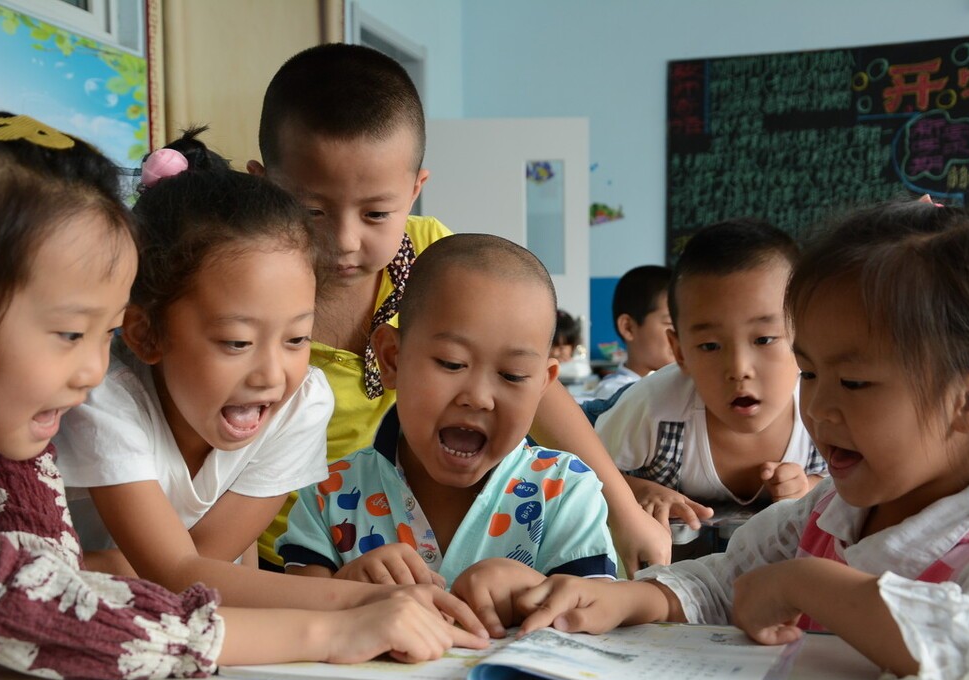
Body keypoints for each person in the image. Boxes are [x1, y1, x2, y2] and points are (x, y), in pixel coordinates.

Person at [0, 111, 485, 680]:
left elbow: (45, 580)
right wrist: (330, 632)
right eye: (69, 334)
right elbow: (49, 604)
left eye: (103, 335)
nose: (93, 373)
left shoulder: (0, 421)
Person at [517, 199, 969, 680]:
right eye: (810, 373)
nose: (818, 408)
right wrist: (624, 600)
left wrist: (806, 583)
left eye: (854, 381)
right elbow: (728, 582)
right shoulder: (825, 514)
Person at [248, 43, 670, 575]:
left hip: (437, 542)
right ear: (262, 187)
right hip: (293, 554)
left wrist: (622, 507)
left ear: (414, 190)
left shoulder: (432, 255)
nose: (346, 241)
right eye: (312, 210)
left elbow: (530, 383)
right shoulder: (246, 285)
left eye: (376, 214)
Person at [53, 128, 488, 620]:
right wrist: (365, 600)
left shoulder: (300, 404)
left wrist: (108, 567)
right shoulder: (106, 401)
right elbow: (179, 574)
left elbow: (205, 566)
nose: (271, 375)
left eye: (297, 339)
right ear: (146, 334)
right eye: (237, 343)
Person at [277, 235, 617, 636]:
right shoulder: (329, 495)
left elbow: (593, 623)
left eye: (512, 375)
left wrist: (534, 590)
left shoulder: (565, 491)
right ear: (392, 359)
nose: (479, 397)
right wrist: (347, 592)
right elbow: (294, 622)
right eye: (452, 363)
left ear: (543, 384)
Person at [594, 219, 826, 535]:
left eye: (764, 339)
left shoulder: (822, 408)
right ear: (679, 352)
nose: (739, 369)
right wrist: (635, 490)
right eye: (710, 346)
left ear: (805, 334)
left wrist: (811, 486)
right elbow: (580, 471)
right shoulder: (653, 409)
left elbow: (863, 482)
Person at [591, 264, 674, 401]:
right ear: (628, 327)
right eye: (670, 323)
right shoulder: (614, 393)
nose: (681, 335)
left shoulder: (679, 384)